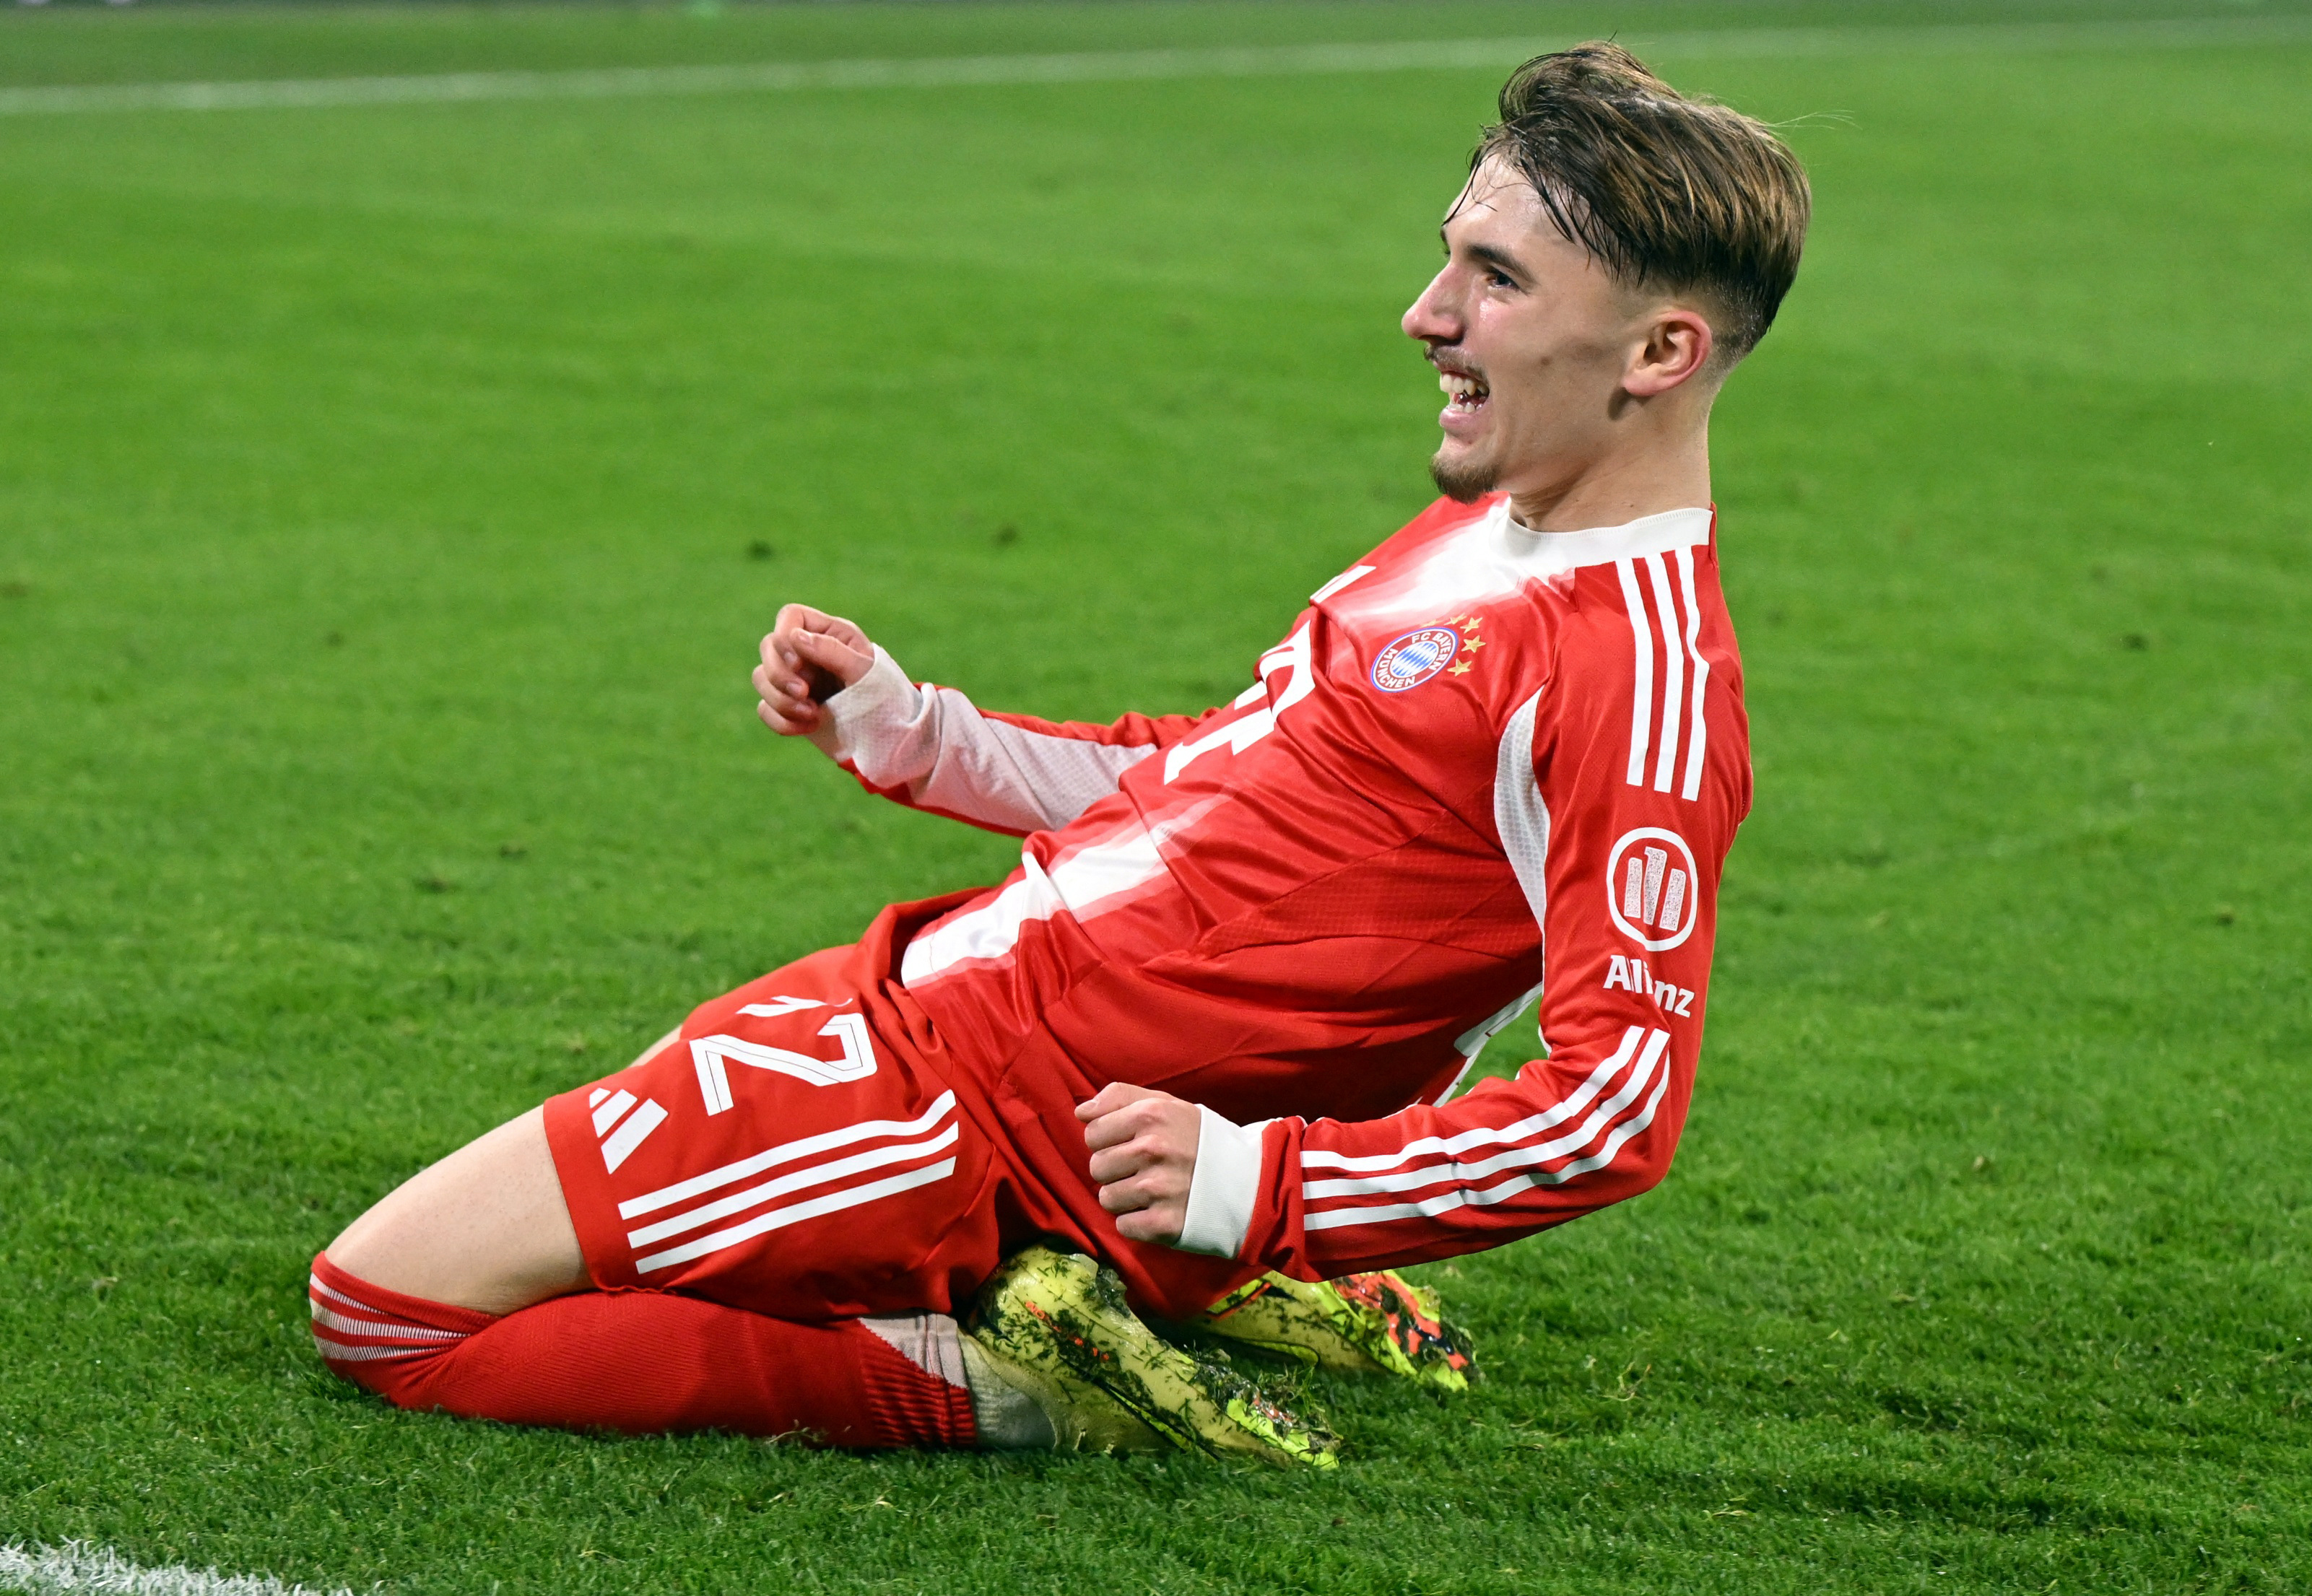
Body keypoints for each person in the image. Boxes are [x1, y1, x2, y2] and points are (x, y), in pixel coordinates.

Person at [308, 43, 1809, 1465]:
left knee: (387, 1304)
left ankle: (1009, 1384)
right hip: (933, 995)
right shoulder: (1490, 529)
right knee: (606, 1168)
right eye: (1449, 255)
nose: (1424, 313)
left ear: (1659, 348)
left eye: (1492, 278)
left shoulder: (1636, 679)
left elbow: (1612, 1103)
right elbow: (1221, 782)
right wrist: (916, 730)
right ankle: (1148, 1275)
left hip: (975, 1121)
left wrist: (1257, 1185)